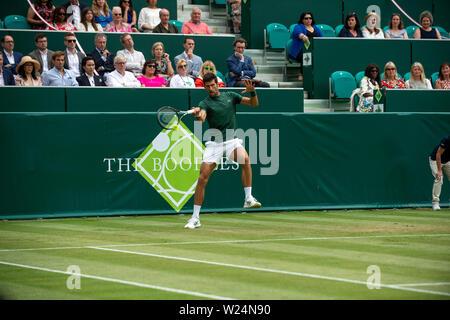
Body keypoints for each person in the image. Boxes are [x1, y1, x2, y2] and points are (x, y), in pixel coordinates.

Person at [185, 74, 261, 229]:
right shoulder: (204, 102)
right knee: (202, 178)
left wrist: (252, 92)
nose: (211, 89)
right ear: (205, 87)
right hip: (215, 145)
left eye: (213, 85)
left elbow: (254, 104)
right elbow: (202, 118)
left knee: (246, 160)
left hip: (231, 141)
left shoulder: (231, 96)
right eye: (207, 87)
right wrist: (198, 114)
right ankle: (195, 218)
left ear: (218, 84)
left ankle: (248, 198)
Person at [288, 12, 323, 82]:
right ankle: (302, 74)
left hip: (314, 50)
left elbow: (321, 38)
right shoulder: (298, 27)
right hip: (299, 50)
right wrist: (303, 36)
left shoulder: (315, 27)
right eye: (306, 18)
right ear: (302, 20)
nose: (308, 20)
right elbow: (299, 33)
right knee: (307, 55)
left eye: (310, 18)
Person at [429, 135, 450, 211]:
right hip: (435, 159)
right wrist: (439, 170)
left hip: (447, 161)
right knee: (439, 178)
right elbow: (438, 154)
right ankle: (435, 203)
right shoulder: (447, 139)